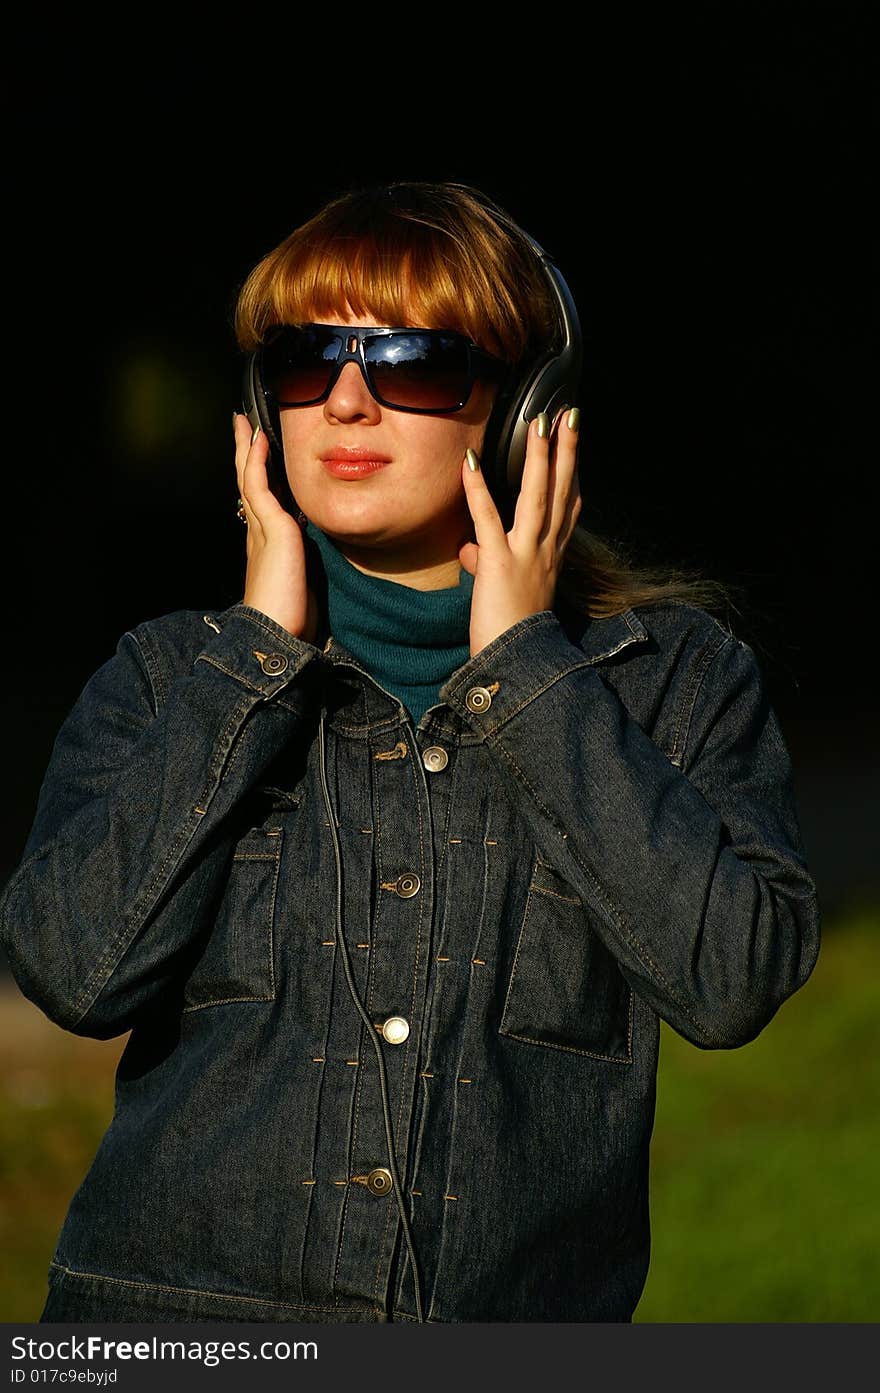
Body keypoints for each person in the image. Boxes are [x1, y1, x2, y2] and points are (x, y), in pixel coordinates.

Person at [0, 181, 820, 1325]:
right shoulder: (164, 678)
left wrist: (531, 675)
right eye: (305, 360)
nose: (344, 401)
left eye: (411, 362)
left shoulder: (672, 683)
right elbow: (75, 972)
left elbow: (732, 981)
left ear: (528, 406)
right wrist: (254, 662)